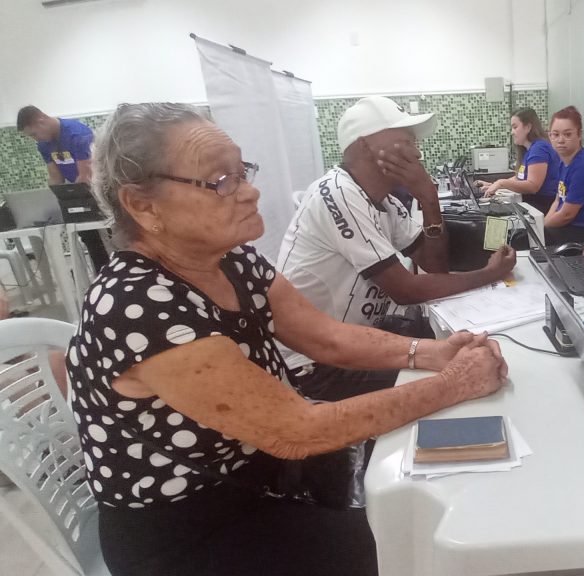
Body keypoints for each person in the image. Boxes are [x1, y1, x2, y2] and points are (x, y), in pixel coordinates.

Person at [69, 102, 509, 576]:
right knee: (408, 550)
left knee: (409, 520)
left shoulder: (232, 261)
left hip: (266, 484)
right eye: (221, 181)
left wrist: (433, 352)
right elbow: (297, 431)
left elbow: (329, 338)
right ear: (142, 205)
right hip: (191, 530)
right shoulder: (138, 307)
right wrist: (453, 383)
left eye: (243, 173)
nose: (250, 192)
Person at [276, 96, 516, 402]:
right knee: (462, 373)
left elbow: (434, 267)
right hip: (316, 365)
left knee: (461, 343)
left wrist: (428, 199)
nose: (417, 152)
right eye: (406, 141)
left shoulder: (385, 201)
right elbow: (406, 290)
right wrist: (489, 273)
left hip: (357, 341)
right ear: (365, 146)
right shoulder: (337, 193)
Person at [17, 105, 109, 272]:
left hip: (102, 191)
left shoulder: (77, 134)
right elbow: (56, 178)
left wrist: (73, 199)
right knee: (90, 238)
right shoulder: (44, 145)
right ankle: (103, 275)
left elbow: (85, 176)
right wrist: (50, 199)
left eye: (34, 134)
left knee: (111, 236)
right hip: (80, 193)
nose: (35, 139)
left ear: (41, 120)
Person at [476, 107, 560, 213]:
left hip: (543, 208)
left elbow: (533, 186)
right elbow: (519, 178)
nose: (512, 132)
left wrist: (501, 183)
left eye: (515, 127)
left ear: (528, 127)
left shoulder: (539, 149)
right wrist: (493, 185)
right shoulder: (529, 150)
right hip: (533, 206)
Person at [544, 106, 584, 246]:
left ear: (579, 135)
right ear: (550, 136)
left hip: (582, 234)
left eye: (567, 134)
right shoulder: (564, 162)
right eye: (555, 134)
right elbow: (557, 201)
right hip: (567, 228)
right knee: (524, 235)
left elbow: (567, 215)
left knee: (521, 240)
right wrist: (541, 226)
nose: (561, 140)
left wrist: (541, 228)